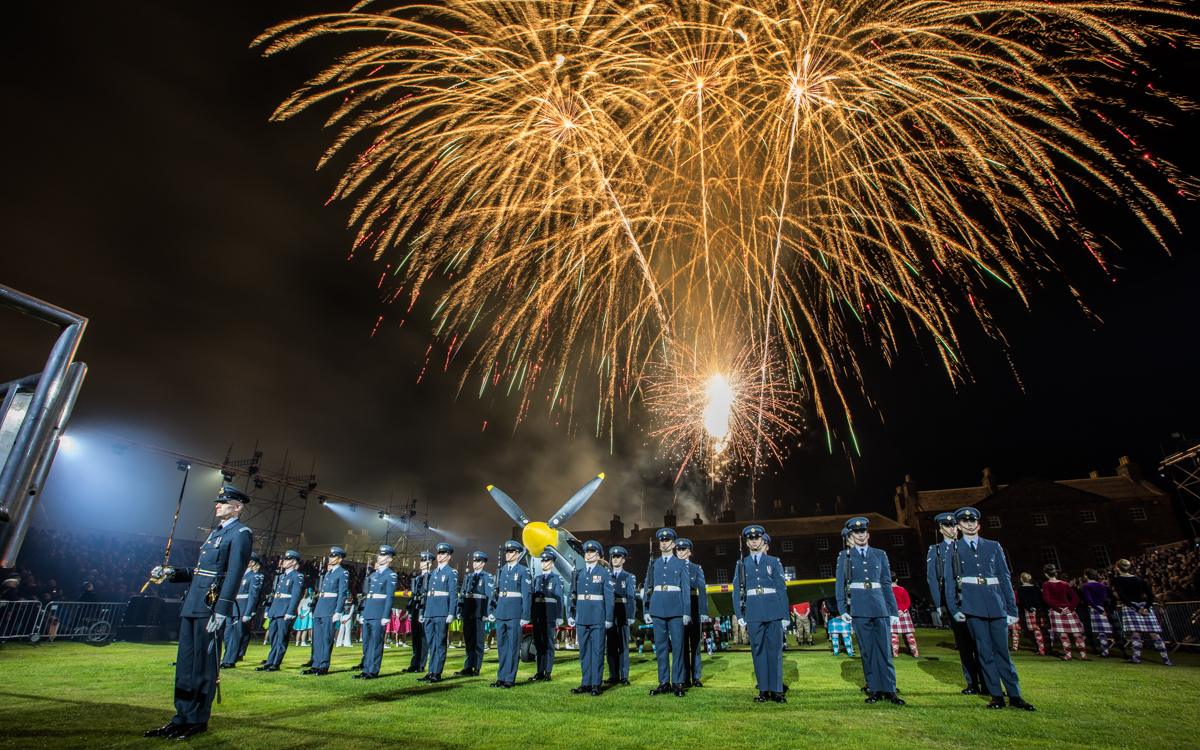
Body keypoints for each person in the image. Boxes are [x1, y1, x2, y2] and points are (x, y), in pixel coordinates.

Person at [143, 485, 253, 740]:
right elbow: (200, 571)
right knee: (185, 665)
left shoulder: (240, 534)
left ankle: (197, 719)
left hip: (211, 606)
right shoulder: (215, 534)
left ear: (237, 507)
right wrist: (173, 573)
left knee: (204, 667)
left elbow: (234, 573)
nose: (217, 505)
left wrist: (223, 609)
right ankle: (180, 717)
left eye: (223, 502)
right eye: (218, 502)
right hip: (193, 603)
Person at [943, 507, 1035, 711]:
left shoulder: (993, 547)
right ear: (959, 526)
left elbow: (1004, 577)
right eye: (965, 522)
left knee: (1002, 652)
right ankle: (995, 695)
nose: (969, 524)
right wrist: (954, 607)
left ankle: (1015, 694)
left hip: (996, 604)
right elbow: (949, 582)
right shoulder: (954, 549)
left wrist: (1012, 609)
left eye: (973, 521)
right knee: (984, 651)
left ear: (978, 524)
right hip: (972, 605)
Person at [836, 516, 903, 706]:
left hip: (880, 606)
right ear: (851, 535)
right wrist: (842, 608)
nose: (860, 535)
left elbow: (886, 583)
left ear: (868, 533)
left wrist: (893, 610)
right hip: (859, 607)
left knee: (885, 650)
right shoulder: (845, 557)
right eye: (856, 532)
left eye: (863, 531)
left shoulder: (880, 554)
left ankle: (890, 689)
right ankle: (873, 688)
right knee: (867, 651)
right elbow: (840, 585)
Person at [925, 511, 983, 693]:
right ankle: (972, 683)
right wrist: (938, 604)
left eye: (954, 525)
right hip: (953, 601)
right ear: (941, 529)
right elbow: (932, 579)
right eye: (948, 526)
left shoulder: (968, 546)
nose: (953, 529)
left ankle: (989, 683)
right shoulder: (935, 550)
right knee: (964, 644)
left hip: (974, 599)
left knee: (982, 644)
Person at [733, 524, 789, 704]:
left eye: (757, 538)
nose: (754, 541)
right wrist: (740, 615)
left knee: (775, 651)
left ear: (762, 540)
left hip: (773, 611)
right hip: (753, 612)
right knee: (758, 651)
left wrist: (785, 616)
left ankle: (777, 690)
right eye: (751, 538)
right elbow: (736, 591)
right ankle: (764, 689)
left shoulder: (773, 562)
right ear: (747, 543)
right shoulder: (741, 564)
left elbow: (781, 589)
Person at [644, 527, 690, 697]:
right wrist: (646, 609)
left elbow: (685, 589)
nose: (664, 543)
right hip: (657, 607)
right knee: (661, 648)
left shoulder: (681, 563)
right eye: (662, 541)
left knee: (678, 646)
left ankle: (677, 682)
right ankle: (663, 682)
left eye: (667, 540)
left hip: (676, 608)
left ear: (673, 543)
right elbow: (647, 587)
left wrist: (686, 612)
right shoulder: (653, 563)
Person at [568, 540, 614, 696]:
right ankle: (585, 682)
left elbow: (609, 597)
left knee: (597, 651)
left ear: (598, 555)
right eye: (586, 552)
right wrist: (571, 614)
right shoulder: (579, 573)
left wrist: (608, 618)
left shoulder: (604, 573)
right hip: (582, 617)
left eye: (591, 552)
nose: (587, 554)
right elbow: (572, 596)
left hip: (597, 617)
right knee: (584, 652)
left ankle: (596, 684)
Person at [1112, 558, 1173, 666]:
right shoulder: (1139, 579)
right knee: (1154, 634)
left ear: (1117, 568)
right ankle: (1166, 659)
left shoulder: (1118, 580)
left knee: (1136, 633)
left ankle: (1136, 657)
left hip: (1131, 607)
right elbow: (1151, 595)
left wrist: (1136, 608)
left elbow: (1122, 597)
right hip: (1144, 606)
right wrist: (1147, 607)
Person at [489, 540, 531, 688]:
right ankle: (501, 677)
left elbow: (527, 595)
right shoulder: (502, 570)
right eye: (507, 551)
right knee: (501, 647)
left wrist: (525, 615)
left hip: (515, 614)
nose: (508, 554)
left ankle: (509, 679)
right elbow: (496, 593)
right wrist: (493, 611)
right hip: (501, 612)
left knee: (513, 647)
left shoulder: (522, 571)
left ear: (518, 554)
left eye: (511, 551)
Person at [356, 544, 398, 680]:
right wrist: (363, 613)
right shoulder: (373, 574)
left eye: (384, 555)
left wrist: (386, 615)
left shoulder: (390, 575)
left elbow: (389, 596)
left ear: (390, 559)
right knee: (367, 643)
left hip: (379, 613)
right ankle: (366, 668)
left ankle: (373, 670)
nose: (380, 557)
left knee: (376, 642)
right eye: (380, 555)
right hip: (369, 611)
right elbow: (367, 595)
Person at [419, 542, 459, 683]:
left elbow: (453, 595)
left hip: (442, 612)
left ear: (448, 556)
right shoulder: (433, 573)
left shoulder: (451, 573)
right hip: (430, 612)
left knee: (440, 643)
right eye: (439, 553)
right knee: (432, 644)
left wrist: (451, 613)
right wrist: (424, 613)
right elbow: (428, 595)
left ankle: (437, 672)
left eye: (443, 553)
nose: (439, 555)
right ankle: (431, 671)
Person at [305, 546, 349, 676]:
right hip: (321, 606)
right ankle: (315, 664)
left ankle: (323, 665)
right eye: (330, 556)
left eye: (334, 556)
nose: (331, 558)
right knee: (317, 639)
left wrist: (338, 611)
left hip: (330, 608)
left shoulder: (342, 573)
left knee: (326, 638)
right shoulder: (328, 573)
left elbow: (342, 593)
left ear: (340, 559)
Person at [258, 550, 303, 672]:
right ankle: (270, 661)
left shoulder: (297, 576)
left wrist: (290, 611)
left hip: (285, 610)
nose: (284, 561)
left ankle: (276, 663)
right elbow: (275, 595)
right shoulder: (282, 576)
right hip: (276, 609)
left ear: (293, 562)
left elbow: (295, 595)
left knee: (281, 638)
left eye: (288, 559)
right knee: (273, 637)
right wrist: (269, 609)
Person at [675, 538, 709, 687]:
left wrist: (703, 611)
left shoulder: (696, 568)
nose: (681, 552)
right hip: (678, 607)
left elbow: (701, 590)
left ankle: (696, 677)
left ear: (689, 551)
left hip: (694, 606)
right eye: (678, 550)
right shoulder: (672, 567)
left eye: (683, 549)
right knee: (680, 644)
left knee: (695, 644)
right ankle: (683, 678)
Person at [221, 552, 264, 668]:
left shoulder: (254, 576)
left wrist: (249, 612)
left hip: (243, 608)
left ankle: (229, 660)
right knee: (227, 634)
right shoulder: (240, 575)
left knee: (236, 635)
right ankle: (228, 656)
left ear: (251, 562)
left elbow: (253, 595)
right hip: (233, 607)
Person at [456, 550, 493, 677]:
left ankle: (476, 668)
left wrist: (487, 613)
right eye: (474, 561)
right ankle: (467, 667)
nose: (475, 563)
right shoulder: (468, 576)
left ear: (483, 563)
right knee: (469, 640)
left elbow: (489, 596)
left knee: (478, 642)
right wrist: (459, 610)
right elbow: (462, 594)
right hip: (468, 611)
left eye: (478, 561)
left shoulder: (487, 577)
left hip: (479, 613)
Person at [605, 545, 637, 686]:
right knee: (610, 647)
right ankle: (613, 675)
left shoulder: (628, 577)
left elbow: (631, 598)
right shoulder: (606, 576)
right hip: (609, 615)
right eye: (613, 557)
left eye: (618, 557)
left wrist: (631, 615)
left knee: (623, 647)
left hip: (622, 613)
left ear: (623, 560)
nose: (615, 559)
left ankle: (624, 676)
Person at [529, 549, 563, 682]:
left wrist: (559, 616)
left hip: (550, 616)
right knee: (539, 644)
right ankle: (539, 671)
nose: (544, 563)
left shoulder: (556, 579)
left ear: (552, 563)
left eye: (547, 560)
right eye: (542, 560)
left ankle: (547, 672)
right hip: (538, 616)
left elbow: (559, 599)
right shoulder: (537, 579)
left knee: (548, 644)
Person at [1041, 565, 1087, 661]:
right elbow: (1076, 598)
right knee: (1077, 634)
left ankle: (1068, 655)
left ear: (1046, 574)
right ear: (1055, 573)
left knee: (1063, 635)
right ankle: (1083, 655)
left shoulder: (1046, 584)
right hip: (1068, 610)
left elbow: (1047, 599)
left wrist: (1059, 609)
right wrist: (1069, 609)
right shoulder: (1064, 584)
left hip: (1057, 611)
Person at [403, 551, 434, 673]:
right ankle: (414, 663)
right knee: (415, 637)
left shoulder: (432, 577)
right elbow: (413, 596)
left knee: (423, 637)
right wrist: (410, 611)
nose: (422, 563)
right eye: (421, 560)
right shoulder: (417, 578)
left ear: (430, 563)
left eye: (425, 561)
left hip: (425, 608)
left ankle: (421, 664)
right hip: (416, 607)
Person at [1080, 569, 1114, 658]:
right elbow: (1106, 599)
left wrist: (1099, 609)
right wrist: (1106, 609)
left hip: (1096, 609)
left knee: (1101, 632)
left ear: (1086, 576)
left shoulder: (1086, 586)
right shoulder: (1102, 586)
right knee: (1103, 632)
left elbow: (1089, 600)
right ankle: (1105, 651)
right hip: (1104, 609)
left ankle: (1105, 651)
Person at [1015, 572, 1047, 656]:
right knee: (1040, 631)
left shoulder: (1021, 589)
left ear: (1021, 579)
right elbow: (1040, 599)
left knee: (1034, 632)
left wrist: (1029, 608)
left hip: (1029, 611)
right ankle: (1043, 648)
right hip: (1038, 610)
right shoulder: (1036, 588)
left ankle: (1041, 649)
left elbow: (1022, 601)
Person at [890, 576, 919, 658]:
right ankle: (914, 652)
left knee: (894, 635)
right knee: (909, 634)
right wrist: (902, 610)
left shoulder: (888, 591)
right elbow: (908, 602)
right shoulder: (902, 589)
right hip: (904, 613)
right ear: (896, 579)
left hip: (893, 614)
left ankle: (895, 653)